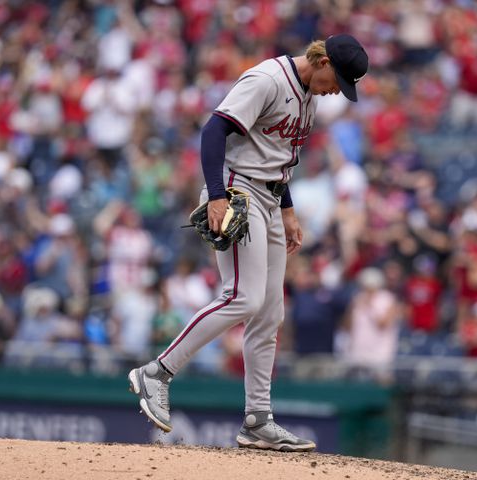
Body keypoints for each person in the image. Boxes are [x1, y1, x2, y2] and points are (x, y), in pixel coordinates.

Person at [128, 34, 369, 452]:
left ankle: (258, 420)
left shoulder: (309, 95)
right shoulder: (267, 79)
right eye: (338, 80)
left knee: (270, 312)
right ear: (323, 60)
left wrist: (289, 210)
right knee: (243, 296)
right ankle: (157, 372)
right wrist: (217, 194)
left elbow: (279, 159)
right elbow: (213, 131)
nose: (337, 91)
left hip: (271, 198)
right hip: (238, 191)